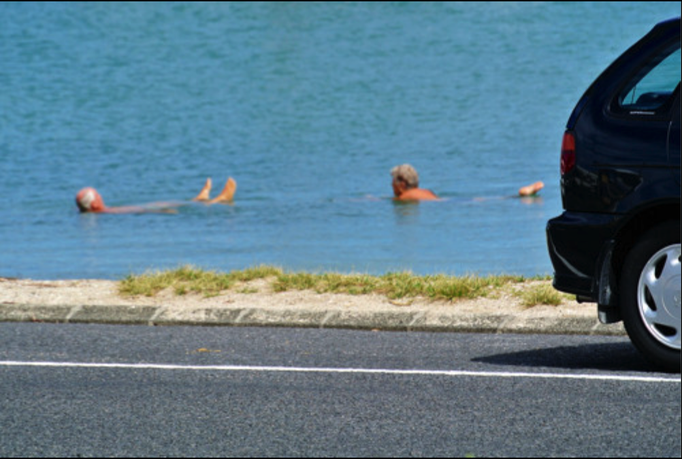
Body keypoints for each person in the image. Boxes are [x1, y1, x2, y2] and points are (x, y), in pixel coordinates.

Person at [75, 177, 237, 214]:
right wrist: (160, 212)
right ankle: (220, 200)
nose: (101, 197)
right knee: (161, 205)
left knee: (161, 201)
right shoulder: (106, 212)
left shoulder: (106, 210)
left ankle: (200, 199)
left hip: (142, 207)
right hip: (143, 209)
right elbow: (135, 212)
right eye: (98, 196)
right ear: (94, 204)